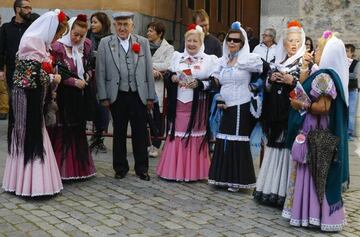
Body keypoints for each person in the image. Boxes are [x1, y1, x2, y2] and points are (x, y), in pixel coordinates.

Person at [282, 31, 348, 232]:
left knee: (314, 172)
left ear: (328, 53)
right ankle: (310, 214)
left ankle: (312, 215)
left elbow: (323, 107)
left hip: (316, 131)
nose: (315, 51)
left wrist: (300, 104)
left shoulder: (325, 76)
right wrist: (304, 65)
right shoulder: (323, 72)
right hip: (314, 129)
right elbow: (305, 84)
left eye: (319, 48)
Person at [2, 9, 68, 196]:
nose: (57, 38)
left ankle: (34, 183)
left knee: (36, 132)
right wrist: (52, 77)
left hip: (35, 98)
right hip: (26, 98)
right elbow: (28, 78)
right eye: (57, 34)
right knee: (28, 133)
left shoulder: (39, 44)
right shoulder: (31, 43)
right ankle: (30, 185)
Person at [96, 12, 155, 181]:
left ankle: (142, 168)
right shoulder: (105, 43)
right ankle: (120, 167)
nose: (122, 28)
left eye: (125, 24)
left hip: (138, 94)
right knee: (119, 132)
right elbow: (100, 72)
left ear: (132, 26)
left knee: (140, 132)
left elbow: (148, 71)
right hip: (117, 95)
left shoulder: (142, 42)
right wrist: (103, 96)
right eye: (119, 24)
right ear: (114, 25)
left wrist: (150, 96)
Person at [254, 20, 306, 206]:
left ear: (302, 43)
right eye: (290, 40)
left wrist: (291, 81)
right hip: (276, 115)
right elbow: (267, 89)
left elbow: (306, 94)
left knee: (287, 151)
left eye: (297, 41)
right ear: (284, 43)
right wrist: (271, 79)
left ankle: (286, 193)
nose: (293, 44)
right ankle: (270, 189)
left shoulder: (305, 64)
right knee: (274, 150)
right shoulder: (279, 62)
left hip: (291, 115)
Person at [208, 21, 265, 192]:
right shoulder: (222, 61)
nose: (232, 43)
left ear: (242, 43)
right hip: (223, 106)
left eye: (236, 40)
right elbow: (215, 81)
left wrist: (256, 86)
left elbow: (266, 72)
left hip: (241, 105)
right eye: (229, 40)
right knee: (223, 138)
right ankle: (222, 177)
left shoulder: (250, 60)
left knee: (237, 139)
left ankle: (237, 179)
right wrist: (218, 97)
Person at [156, 24, 218, 181]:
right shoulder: (177, 56)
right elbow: (168, 75)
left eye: (195, 41)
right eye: (188, 41)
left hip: (198, 107)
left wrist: (199, 84)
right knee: (176, 133)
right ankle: (174, 171)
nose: (191, 44)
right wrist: (173, 78)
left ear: (201, 43)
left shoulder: (209, 60)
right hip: (178, 104)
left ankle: (193, 172)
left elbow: (215, 83)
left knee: (194, 135)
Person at [50, 15, 96, 180]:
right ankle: (60, 169)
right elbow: (56, 70)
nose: (78, 38)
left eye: (82, 35)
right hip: (62, 95)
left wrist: (87, 78)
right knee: (62, 130)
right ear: (69, 30)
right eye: (75, 34)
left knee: (77, 129)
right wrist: (73, 81)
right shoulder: (58, 47)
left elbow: (90, 66)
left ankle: (78, 169)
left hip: (79, 95)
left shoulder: (86, 47)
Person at [146, 21, 174, 157]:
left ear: (160, 33)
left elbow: (168, 64)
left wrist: (150, 66)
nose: (148, 33)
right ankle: (146, 143)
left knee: (158, 116)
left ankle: (156, 145)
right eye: (148, 30)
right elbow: (138, 62)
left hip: (159, 87)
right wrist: (151, 69)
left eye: (151, 31)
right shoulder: (143, 45)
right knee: (145, 116)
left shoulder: (169, 49)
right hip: (145, 86)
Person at [0, 0, 32, 120]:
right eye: (27, 7)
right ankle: (13, 129)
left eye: (30, 8)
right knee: (14, 100)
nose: (30, 10)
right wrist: (1, 70)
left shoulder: (31, 28)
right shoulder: (6, 28)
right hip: (12, 70)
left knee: (27, 101)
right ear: (18, 9)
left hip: (29, 70)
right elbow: (1, 49)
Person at [86, 12, 112, 153]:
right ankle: (92, 136)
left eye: (95, 22)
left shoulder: (110, 39)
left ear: (103, 23)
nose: (92, 25)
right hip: (90, 76)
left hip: (105, 78)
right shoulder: (87, 36)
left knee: (103, 108)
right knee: (91, 106)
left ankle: (100, 138)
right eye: (92, 22)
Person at [346, 43, 359, 140]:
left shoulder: (356, 63)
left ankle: (349, 133)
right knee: (343, 111)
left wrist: (344, 73)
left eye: (347, 51)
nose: (345, 53)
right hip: (343, 90)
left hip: (352, 90)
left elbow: (354, 75)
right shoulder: (341, 61)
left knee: (351, 112)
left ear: (352, 53)